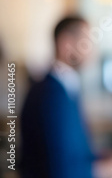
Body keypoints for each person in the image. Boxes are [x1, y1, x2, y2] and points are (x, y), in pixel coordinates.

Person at [20, 16, 96, 178]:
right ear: (66, 44)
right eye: (87, 41)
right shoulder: (51, 94)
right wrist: (96, 170)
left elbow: (74, 149)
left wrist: (97, 160)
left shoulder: (65, 86)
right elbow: (58, 162)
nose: (92, 49)